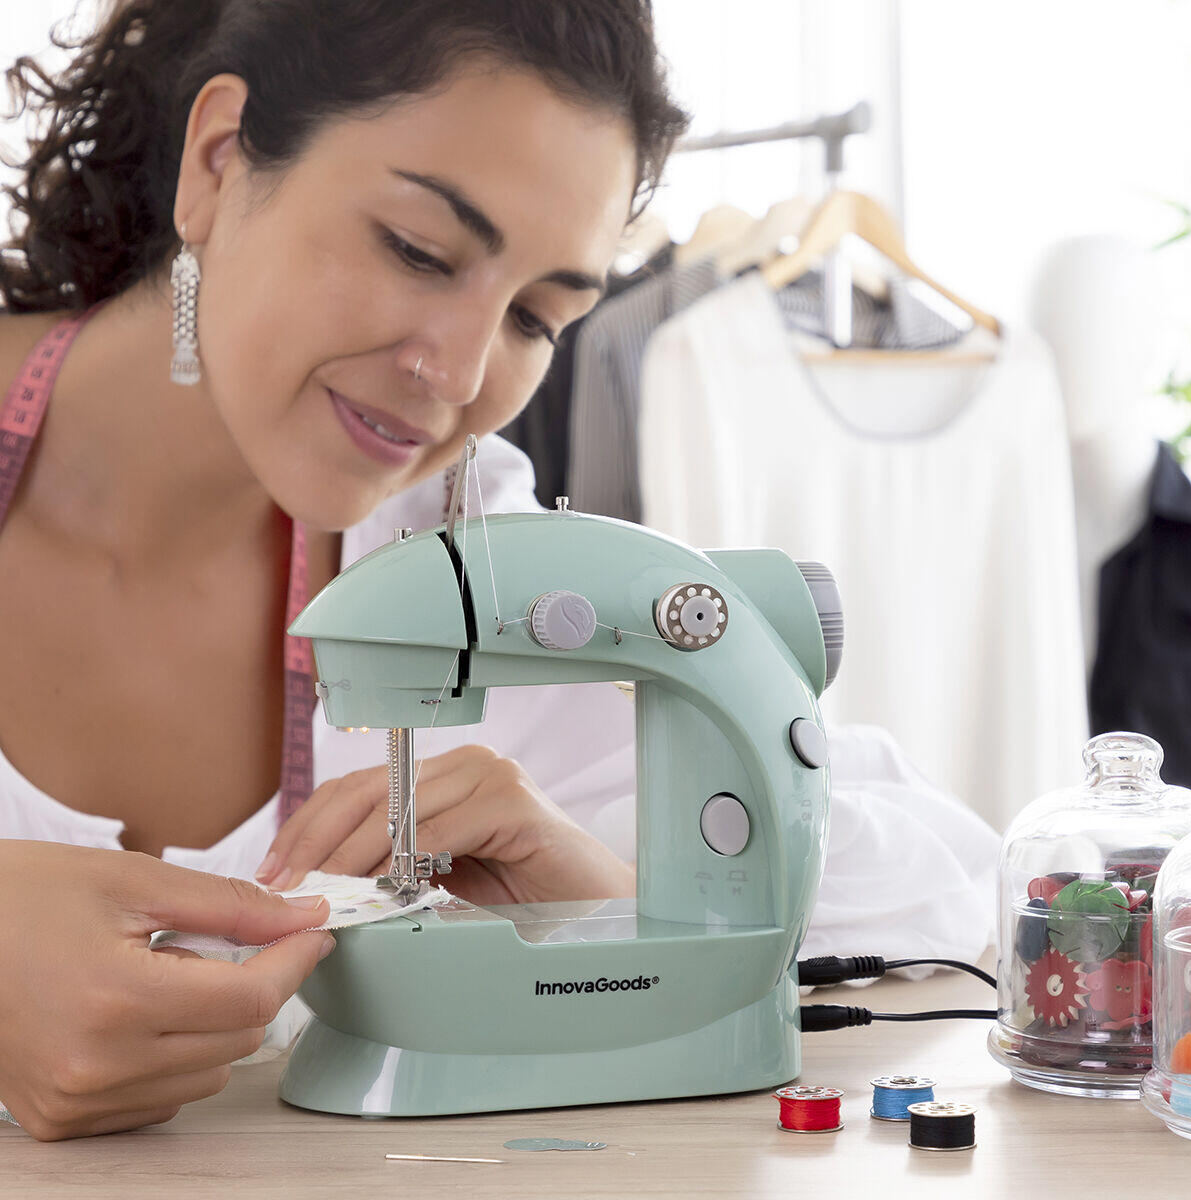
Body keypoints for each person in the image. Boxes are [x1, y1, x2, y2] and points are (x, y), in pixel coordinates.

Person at [0, 0, 687, 1141]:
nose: (458, 374)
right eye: (418, 250)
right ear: (220, 161)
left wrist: (604, 918)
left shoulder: (460, 542)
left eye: (535, 316)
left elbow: (912, 865)